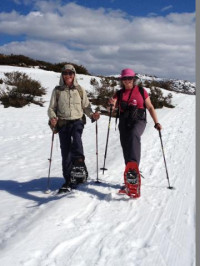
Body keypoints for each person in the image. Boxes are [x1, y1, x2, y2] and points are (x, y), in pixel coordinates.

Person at [48, 64, 100, 193]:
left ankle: (79, 165)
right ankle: (68, 179)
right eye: (65, 73)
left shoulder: (80, 90)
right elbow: (51, 108)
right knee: (65, 151)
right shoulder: (57, 90)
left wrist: (92, 115)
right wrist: (53, 118)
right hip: (63, 123)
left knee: (76, 139)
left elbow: (86, 107)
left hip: (77, 121)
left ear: (74, 74)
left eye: (70, 73)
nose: (68, 76)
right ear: (62, 75)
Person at [109, 68, 162, 168]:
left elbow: (150, 107)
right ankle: (129, 170)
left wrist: (156, 123)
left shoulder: (141, 91)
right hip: (124, 121)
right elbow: (111, 107)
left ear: (133, 79)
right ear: (122, 80)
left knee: (133, 134)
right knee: (125, 145)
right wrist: (111, 105)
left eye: (129, 78)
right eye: (124, 78)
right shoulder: (119, 93)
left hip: (139, 120)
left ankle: (134, 167)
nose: (127, 80)